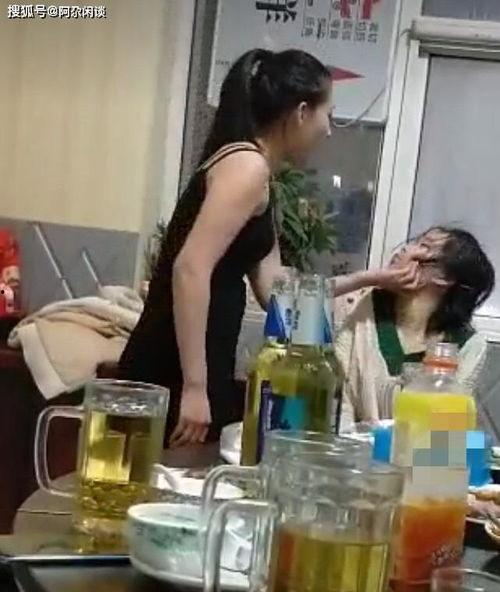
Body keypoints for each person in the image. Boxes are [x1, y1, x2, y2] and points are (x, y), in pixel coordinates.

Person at [120, 48, 336, 447]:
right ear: (302, 112)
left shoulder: (261, 174)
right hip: (173, 366)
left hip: (205, 360)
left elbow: (274, 288)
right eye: (329, 115)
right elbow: (190, 268)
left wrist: (371, 281)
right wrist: (194, 387)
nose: (329, 130)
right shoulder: (246, 166)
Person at [335, 226, 496, 431]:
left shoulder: (468, 345)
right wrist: (370, 277)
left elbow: (446, 429)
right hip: (352, 445)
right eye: (413, 242)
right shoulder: (365, 305)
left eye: (423, 247)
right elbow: (340, 398)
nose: (406, 249)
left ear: (444, 278)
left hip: (422, 449)